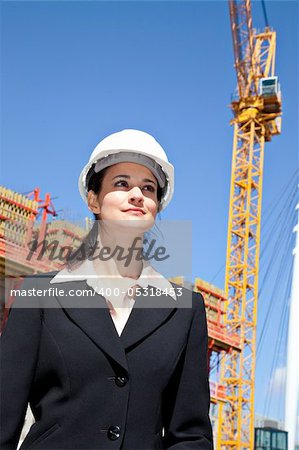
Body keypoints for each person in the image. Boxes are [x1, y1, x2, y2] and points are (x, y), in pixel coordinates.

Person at [0, 129, 214, 449]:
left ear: (157, 206)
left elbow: (191, 435)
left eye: (148, 187)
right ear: (93, 199)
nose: (137, 194)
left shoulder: (185, 310)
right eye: (122, 183)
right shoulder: (38, 295)